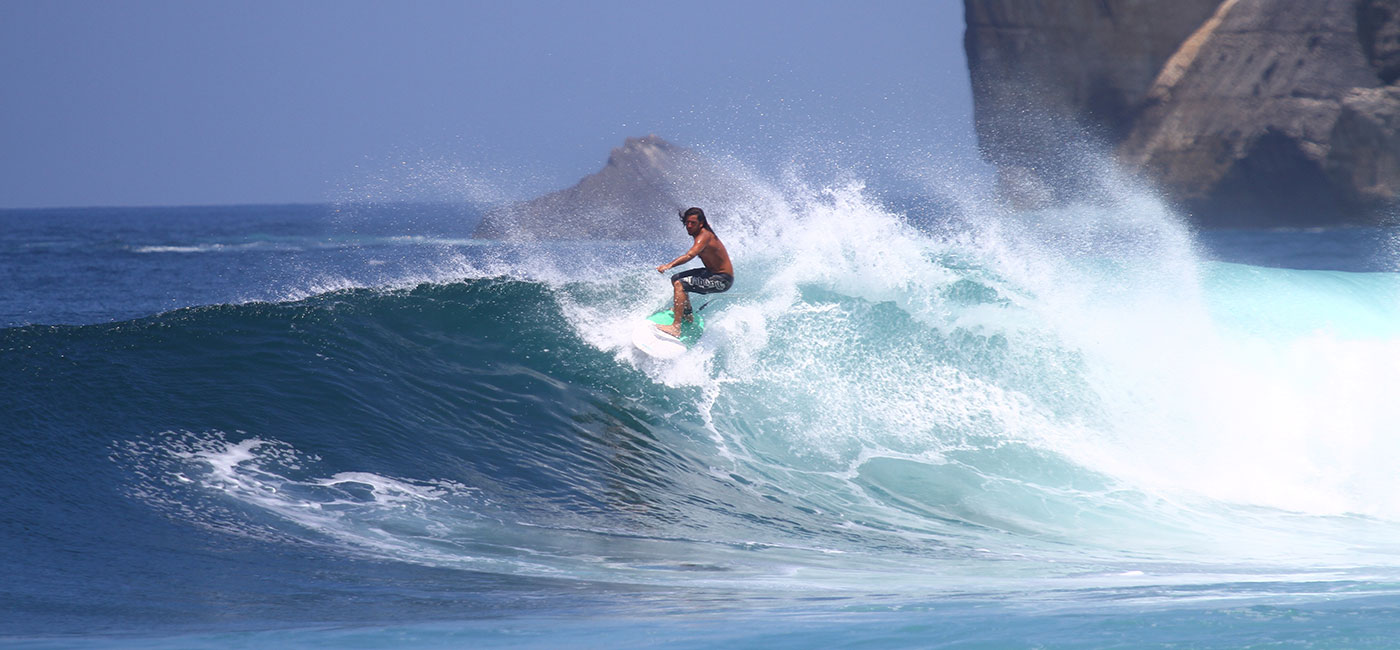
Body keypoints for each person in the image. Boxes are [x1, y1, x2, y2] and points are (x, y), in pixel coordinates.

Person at [655, 207, 733, 338]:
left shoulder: (704, 236)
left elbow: (690, 255)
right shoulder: (702, 233)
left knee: (680, 284)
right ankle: (687, 314)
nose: (689, 226)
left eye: (693, 223)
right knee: (676, 279)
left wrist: (669, 265)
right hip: (710, 273)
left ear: (701, 223)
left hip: (722, 280)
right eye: (687, 223)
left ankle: (676, 328)